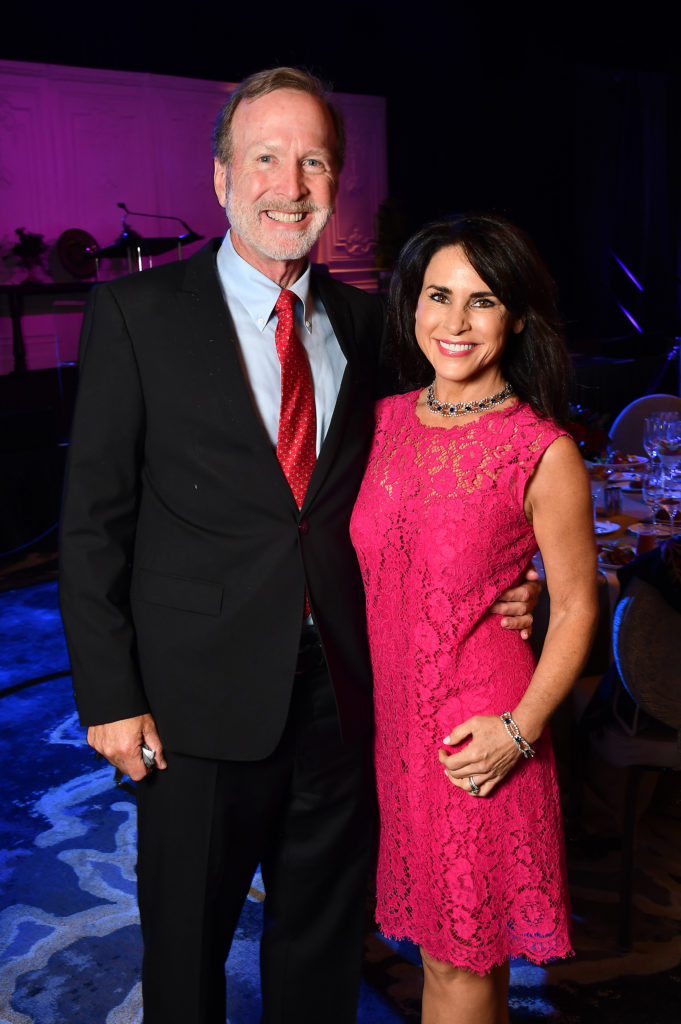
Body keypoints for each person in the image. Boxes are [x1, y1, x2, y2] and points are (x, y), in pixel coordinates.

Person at [59, 72, 540, 1024]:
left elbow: (435, 472)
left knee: (321, 951)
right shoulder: (136, 316)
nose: (290, 183)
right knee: (187, 955)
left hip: (347, 693)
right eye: (266, 157)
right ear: (220, 177)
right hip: (191, 705)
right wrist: (110, 697)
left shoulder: (372, 327)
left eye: (314, 160)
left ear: (336, 182)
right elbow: (91, 521)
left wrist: (505, 582)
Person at [350, 213, 599, 1024]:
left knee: (460, 964)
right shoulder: (379, 423)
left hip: (475, 734)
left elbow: (575, 608)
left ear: (516, 315)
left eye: (481, 300)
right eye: (437, 296)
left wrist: (519, 730)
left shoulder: (540, 449)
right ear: (409, 304)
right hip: (395, 732)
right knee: (437, 955)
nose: (453, 323)